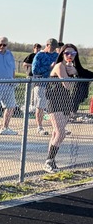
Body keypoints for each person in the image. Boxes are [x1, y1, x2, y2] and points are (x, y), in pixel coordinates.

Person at [43, 44, 83, 173]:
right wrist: (73, 73)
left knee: (56, 133)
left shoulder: (71, 67)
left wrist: (75, 71)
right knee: (61, 133)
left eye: (73, 54)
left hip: (65, 101)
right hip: (54, 102)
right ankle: (48, 161)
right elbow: (67, 85)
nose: (69, 56)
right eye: (67, 53)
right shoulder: (60, 66)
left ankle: (51, 160)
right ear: (62, 54)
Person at [31, 38, 60, 135]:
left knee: (54, 107)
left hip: (53, 85)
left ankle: (57, 127)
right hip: (41, 83)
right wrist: (49, 67)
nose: (54, 49)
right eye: (52, 47)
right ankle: (39, 127)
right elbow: (35, 70)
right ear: (47, 45)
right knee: (40, 106)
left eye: (55, 47)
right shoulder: (40, 55)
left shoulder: (56, 56)